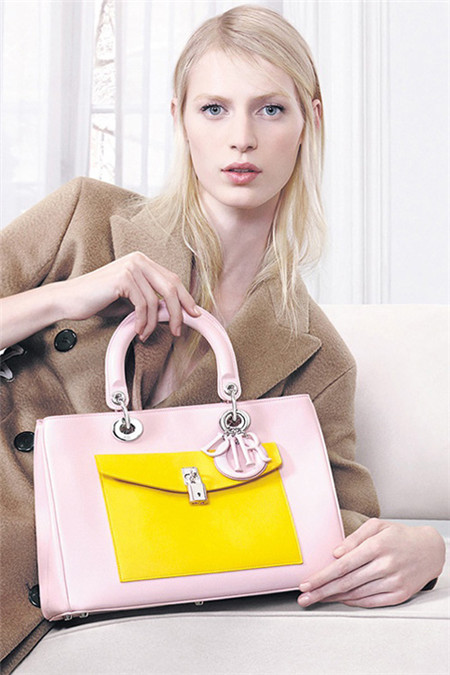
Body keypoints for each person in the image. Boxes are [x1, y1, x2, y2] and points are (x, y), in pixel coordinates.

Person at [0, 5, 445, 672]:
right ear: (180, 119)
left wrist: (429, 551)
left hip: (84, 611)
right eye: (214, 109)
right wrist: (67, 296)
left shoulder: (313, 352)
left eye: (271, 110)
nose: (242, 138)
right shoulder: (85, 219)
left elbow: (325, 525)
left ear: (309, 122)